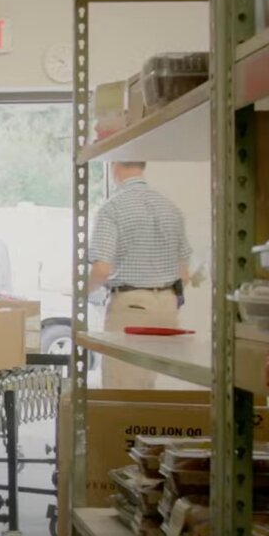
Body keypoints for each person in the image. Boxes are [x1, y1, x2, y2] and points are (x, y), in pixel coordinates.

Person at [88, 161, 192, 389]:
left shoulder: (113, 208)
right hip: (168, 308)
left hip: (132, 308)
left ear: (114, 167)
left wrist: (81, 292)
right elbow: (184, 274)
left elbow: (102, 270)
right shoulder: (170, 208)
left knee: (122, 389)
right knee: (151, 388)